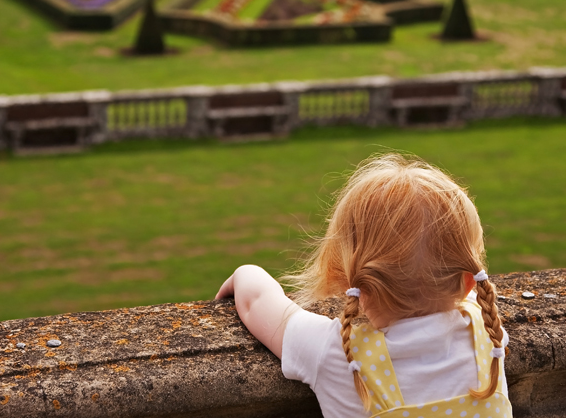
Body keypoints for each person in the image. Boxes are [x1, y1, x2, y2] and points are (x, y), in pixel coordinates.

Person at [216, 154, 511, 418]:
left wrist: (245, 272)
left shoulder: (338, 354)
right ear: (469, 281)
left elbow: (256, 302)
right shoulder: (489, 337)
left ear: (351, 280)